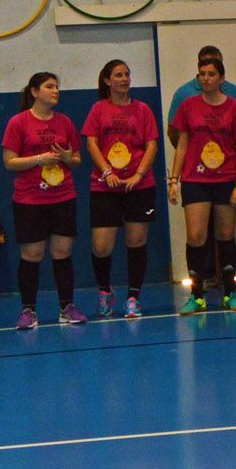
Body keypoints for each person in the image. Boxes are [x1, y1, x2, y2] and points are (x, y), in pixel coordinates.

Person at [168, 57, 236, 313]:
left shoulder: (235, 108)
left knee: (225, 235)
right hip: (195, 178)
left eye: (211, 74)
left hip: (226, 178)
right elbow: (182, 144)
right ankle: (196, 294)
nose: (205, 78)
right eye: (202, 74)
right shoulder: (188, 106)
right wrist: (174, 180)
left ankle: (229, 292)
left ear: (222, 79)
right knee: (196, 236)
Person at [1, 72, 86, 330]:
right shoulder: (18, 123)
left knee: (63, 251)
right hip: (30, 199)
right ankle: (28, 310)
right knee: (32, 254)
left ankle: (67, 306)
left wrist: (67, 158)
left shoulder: (65, 123)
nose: (55, 91)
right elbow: (9, 162)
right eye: (49, 86)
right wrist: (40, 159)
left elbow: (77, 159)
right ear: (35, 91)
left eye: (57, 86)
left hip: (63, 196)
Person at [81, 59, 160, 319]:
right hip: (105, 187)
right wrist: (107, 172)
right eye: (118, 75)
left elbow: (151, 145)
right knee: (101, 246)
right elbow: (92, 143)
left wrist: (138, 174)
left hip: (139, 186)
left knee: (136, 241)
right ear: (107, 81)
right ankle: (105, 290)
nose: (124, 79)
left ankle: (133, 297)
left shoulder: (143, 110)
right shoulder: (98, 109)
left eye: (127, 74)